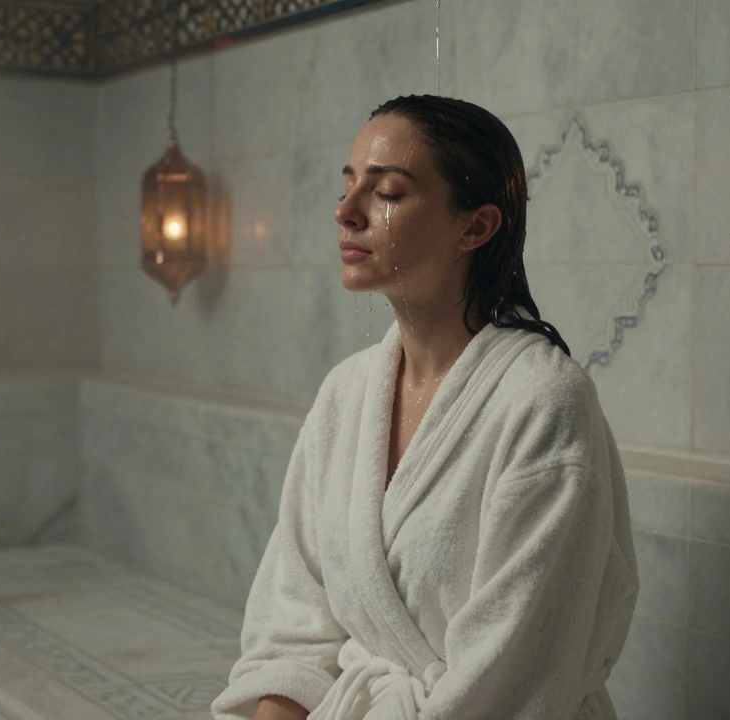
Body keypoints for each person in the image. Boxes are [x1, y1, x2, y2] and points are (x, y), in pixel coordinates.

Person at [210, 95, 639, 720]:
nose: (345, 212)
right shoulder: (346, 396)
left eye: (386, 193)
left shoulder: (544, 402)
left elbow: (514, 678)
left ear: (475, 227)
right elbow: (292, 625)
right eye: (349, 185)